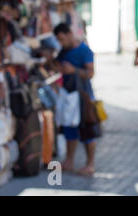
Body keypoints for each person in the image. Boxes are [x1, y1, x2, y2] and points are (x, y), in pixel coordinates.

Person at [54, 23, 99, 176]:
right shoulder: (63, 51)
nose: (61, 43)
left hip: (83, 96)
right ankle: (69, 161)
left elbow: (91, 73)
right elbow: (56, 65)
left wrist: (74, 70)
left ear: (69, 34)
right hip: (68, 96)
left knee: (87, 130)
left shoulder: (84, 51)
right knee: (69, 129)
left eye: (61, 39)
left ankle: (90, 164)